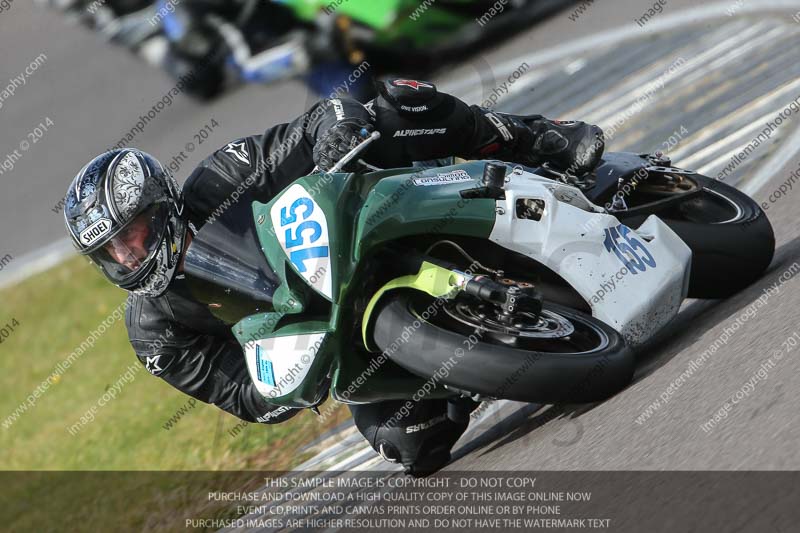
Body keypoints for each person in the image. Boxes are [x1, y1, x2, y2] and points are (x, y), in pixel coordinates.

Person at [62, 79, 604, 474]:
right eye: (111, 251)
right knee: (411, 442)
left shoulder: (222, 178)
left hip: (364, 227)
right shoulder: (155, 331)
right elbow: (242, 394)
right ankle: (474, 363)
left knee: (392, 103)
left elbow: (324, 113)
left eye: (133, 233)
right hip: (339, 338)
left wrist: (335, 138)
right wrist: (290, 386)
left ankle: (529, 138)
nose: (129, 255)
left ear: (162, 205)